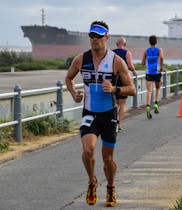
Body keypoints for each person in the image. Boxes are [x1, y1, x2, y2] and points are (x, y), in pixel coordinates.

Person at [65, 21, 136, 207]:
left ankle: (111, 187)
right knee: (88, 150)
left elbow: (132, 89)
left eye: (98, 36)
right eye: (91, 36)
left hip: (109, 114)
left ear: (106, 37)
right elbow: (68, 78)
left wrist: (114, 88)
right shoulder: (81, 59)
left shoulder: (116, 62)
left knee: (107, 158)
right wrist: (74, 93)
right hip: (89, 112)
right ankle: (92, 182)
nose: (94, 39)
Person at [113, 37, 137, 132]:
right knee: (122, 103)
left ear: (116, 44)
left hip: (113, 79)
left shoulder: (111, 53)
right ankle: (118, 124)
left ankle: (112, 122)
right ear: (125, 44)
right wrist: (134, 71)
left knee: (115, 102)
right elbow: (130, 66)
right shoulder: (127, 53)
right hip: (123, 80)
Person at [141, 35, 164, 119]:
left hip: (149, 73)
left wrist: (147, 61)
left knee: (149, 91)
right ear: (156, 42)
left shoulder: (146, 50)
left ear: (149, 42)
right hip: (157, 72)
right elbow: (161, 57)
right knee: (158, 88)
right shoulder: (159, 50)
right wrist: (161, 67)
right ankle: (156, 104)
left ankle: (147, 106)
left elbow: (143, 63)